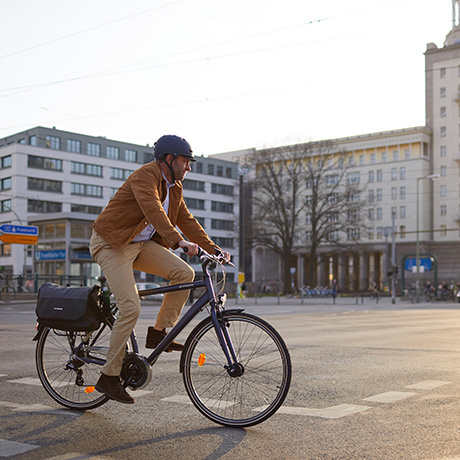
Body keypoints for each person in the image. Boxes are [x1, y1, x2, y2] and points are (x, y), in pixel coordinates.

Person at [89, 134, 231, 404]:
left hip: (140, 245)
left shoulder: (175, 186)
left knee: (185, 274)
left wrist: (213, 249)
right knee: (130, 306)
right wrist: (177, 241)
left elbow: (186, 219)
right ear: (169, 159)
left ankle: (159, 333)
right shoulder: (146, 176)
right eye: (186, 161)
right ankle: (108, 376)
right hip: (112, 244)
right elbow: (154, 211)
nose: (189, 167)